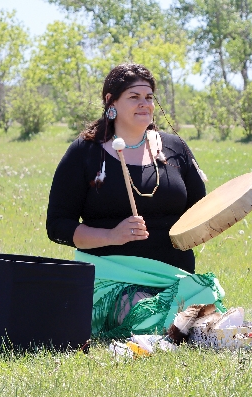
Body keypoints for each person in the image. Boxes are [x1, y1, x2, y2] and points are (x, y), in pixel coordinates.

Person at [46, 63, 224, 339]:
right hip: (113, 276)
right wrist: (112, 235)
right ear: (110, 102)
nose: (144, 104)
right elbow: (58, 226)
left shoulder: (175, 148)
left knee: (205, 316)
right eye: (134, 97)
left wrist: (225, 213)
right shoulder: (85, 153)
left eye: (149, 97)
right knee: (149, 316)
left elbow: (200, 212)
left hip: (174, 275)